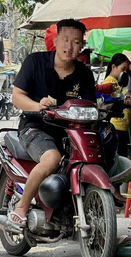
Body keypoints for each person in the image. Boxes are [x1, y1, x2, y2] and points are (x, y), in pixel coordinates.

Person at [10, 19, 96, 228]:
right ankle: (21, 207)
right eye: (66, 40)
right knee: (52, 159)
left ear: (81, 46)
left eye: (76, 42)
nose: (70, 47)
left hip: (71, 132)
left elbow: (89, 105)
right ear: (56, 40)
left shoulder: (84, 74)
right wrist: (37, 106)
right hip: (35, 127)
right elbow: (17, 96)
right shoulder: (35, 62)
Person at [102, 53, 131, 157]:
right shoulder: (110, 82)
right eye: (123, 69)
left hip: (121, 126)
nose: (124, 72)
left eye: (126, 70)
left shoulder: (117, 82)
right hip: (116, 126)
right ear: (113, 67)